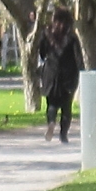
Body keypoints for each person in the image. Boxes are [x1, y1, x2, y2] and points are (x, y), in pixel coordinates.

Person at [32, 8, 82, 143]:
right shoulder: (71, 37)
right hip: (68, 74)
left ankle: (51, 122)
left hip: (51, 73)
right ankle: (63, 135)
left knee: (52, 104)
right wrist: (81, 72)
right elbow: (78, 57)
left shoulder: (46, 34)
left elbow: (42, 52)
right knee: (66, 106)